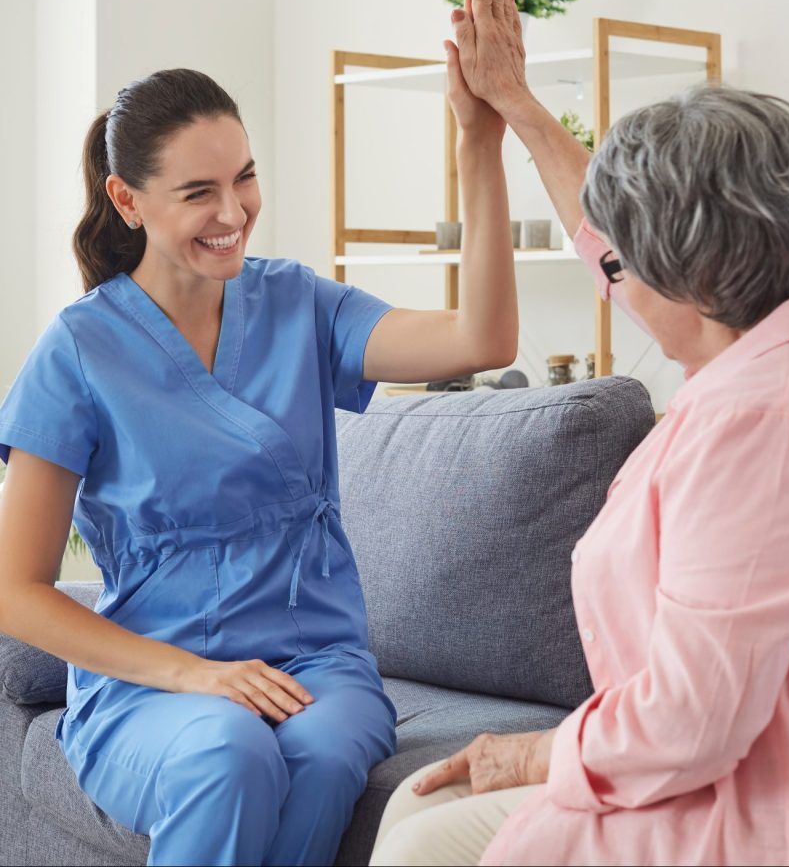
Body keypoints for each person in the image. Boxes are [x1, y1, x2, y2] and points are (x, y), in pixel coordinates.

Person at [369, 0, 789, 866]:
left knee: (421, 846)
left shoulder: (770, 426)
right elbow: (620, 243)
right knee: (414, 803)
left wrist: (534, 750)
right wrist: (516, 107)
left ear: (695, 279)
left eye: (622, 270)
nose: (611, 278)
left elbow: (690, 724)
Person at [0, 52, 517, 866]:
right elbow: (15, 593)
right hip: (152, 686)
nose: (234, 210)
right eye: (199, 192)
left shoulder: (301, 304)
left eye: (244, 178)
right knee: (227, 750)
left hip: (317, 662)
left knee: (319, 751)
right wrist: (194, 676)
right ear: (126, 200)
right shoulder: (78, 351)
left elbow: (479, 340)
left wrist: (478, 143)